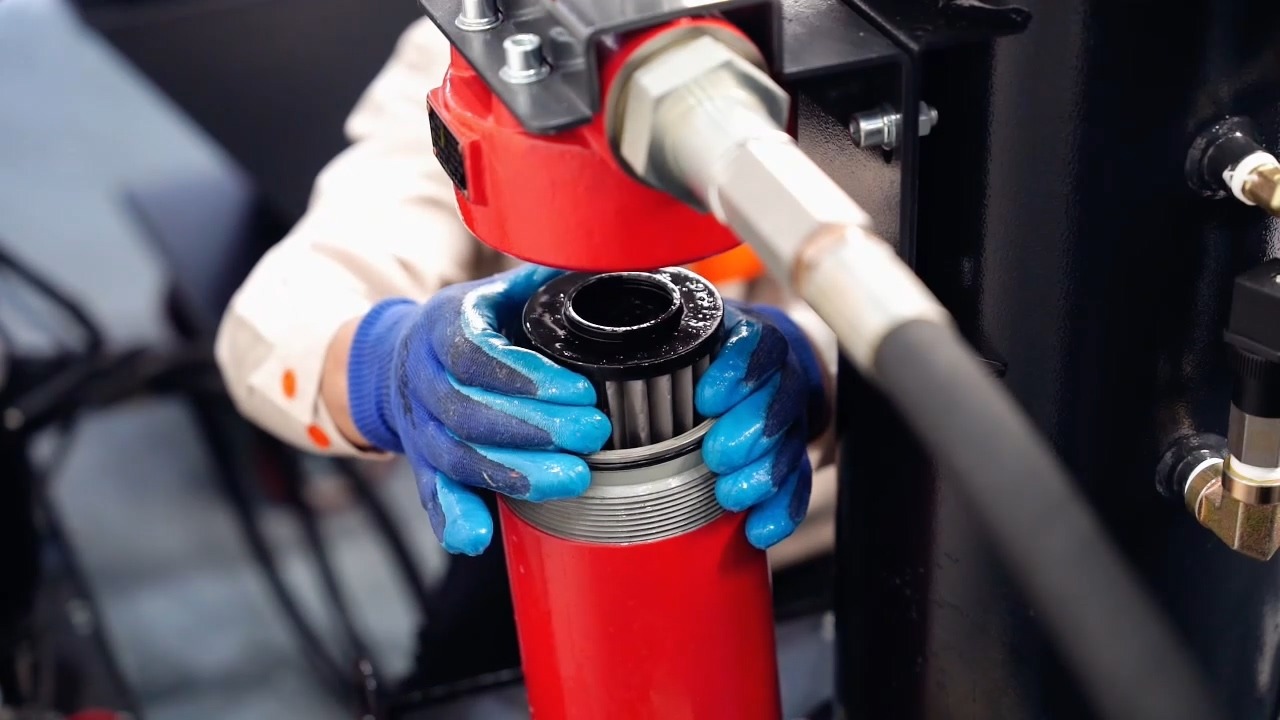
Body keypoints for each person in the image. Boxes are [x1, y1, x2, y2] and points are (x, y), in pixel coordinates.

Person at [214, 17, 838, 684]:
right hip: (540, 517)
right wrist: (381, 367)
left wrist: (823, 365)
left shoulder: (849, 41)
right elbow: (277, 312)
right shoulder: (493, 43)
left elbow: (916, 304)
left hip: (822, 537)